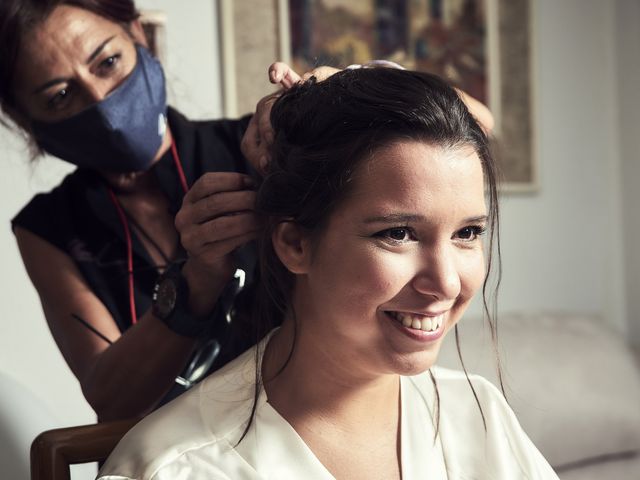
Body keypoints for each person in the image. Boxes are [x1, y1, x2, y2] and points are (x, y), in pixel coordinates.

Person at [97, 68, 559, 478]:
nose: (447, 283)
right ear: (295, 244)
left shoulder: (478, 414)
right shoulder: (175, 467)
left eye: (468, 232)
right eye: (398, 233)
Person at [0, 0, 302, 422]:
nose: (101, 103)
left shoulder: (255, 147)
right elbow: (111, 399)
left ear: (139, 36)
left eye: (107, 62)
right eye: (61, 95)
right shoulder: (47, 227)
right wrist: (195, 280)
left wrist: (323, 103)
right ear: (24, 117)